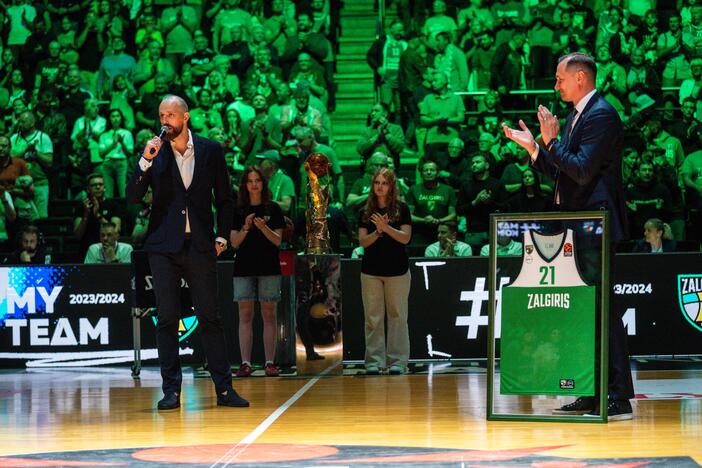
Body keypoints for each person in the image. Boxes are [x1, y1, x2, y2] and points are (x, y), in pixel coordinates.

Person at [502, 52, 633, 420]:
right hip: (577, 223)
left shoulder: (602, 114)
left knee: (602, 311)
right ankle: (591, 390)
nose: (556, 84)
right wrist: (534, 147)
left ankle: (618, 395)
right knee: (584, 312)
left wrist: (551, 142)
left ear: (579, 77)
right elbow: (562, 172)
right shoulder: (579, 115)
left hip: (596, 225)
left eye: (560, 78)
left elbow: (581, 170)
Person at [126, 95, 248, 410]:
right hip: (163, 248)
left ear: (186, 117)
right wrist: (144, 161)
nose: (165, 120)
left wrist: (222, 237)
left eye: (171, 114)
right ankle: (171, 391)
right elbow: (133, 197)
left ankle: (224, 389)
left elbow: (224, 198)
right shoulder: (153, 152)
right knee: (166, 318)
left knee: (210, 316)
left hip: (200, 246)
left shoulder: (209, 150)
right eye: (161, 114)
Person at [230, 166, 285, 377]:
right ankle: (245, 363)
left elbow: (278, 240)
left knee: (269, 314)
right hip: (244, 266)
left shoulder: (273, 208)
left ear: (263, 183)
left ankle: (270, 362)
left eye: (257, 180)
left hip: (268, 265)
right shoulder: (238, 209)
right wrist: (245, 228)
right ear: (245, 185)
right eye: (250, 180)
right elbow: (234, 243)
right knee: (245, 314)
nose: (254, 184)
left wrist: (263, 228)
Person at [358, 168, 412, 375]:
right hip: (371, 270)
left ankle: (398, 362)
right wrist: (378, 230)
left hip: (397, 271)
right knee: (373, 318)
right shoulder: (365, 210)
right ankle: (374, 362)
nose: (380, 186)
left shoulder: (402, 209)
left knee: (398, 316)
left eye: (384, 183)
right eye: (377, 182)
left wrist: (386, 228)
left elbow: (405, 238)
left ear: (391, 186)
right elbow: (363, 241)